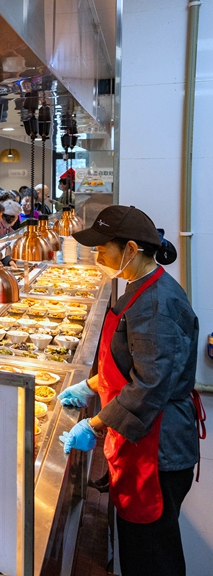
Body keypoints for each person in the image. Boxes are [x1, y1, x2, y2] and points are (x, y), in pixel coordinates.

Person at [58, 206, 201, 576]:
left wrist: (94, 425)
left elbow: (150, 385)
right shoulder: (139, 287)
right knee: (141, 549)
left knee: (152, 559)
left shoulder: (157, 304)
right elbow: (131, 363)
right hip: (142, 444)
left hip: (158, 451)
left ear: (131, 249)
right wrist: (90, 386)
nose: (97, 256)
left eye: (102, 248)